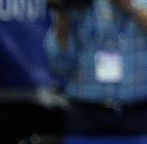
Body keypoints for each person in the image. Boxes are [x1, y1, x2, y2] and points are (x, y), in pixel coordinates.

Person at [46, 0, 147, 135]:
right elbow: (59, 65)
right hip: (85, 112)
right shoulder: (77, 5)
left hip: (138, 111)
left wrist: (130, 7)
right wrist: (62, 13)